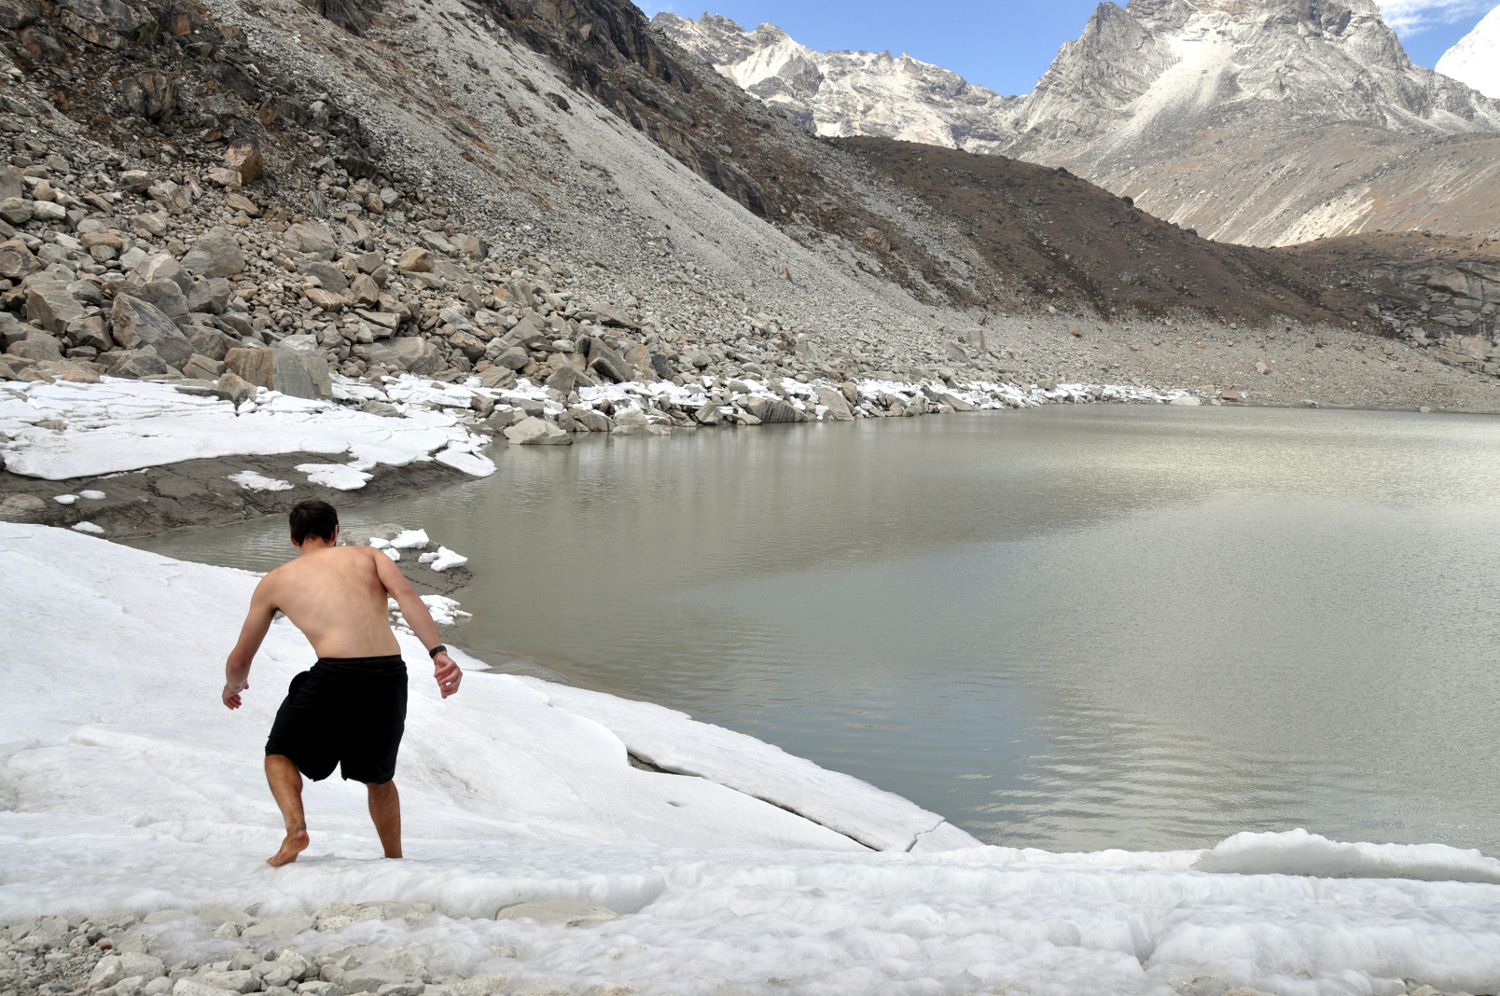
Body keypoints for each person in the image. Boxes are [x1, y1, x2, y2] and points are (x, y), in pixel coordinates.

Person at [221, 499, 463, 866]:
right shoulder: (368, 556)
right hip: (389, 674)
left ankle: (296, 830)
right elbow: (407, 595)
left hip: (336, 673)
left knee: (280, 752)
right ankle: (394, 860)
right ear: (335, 532)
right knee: (379, 776)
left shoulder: (276, 581)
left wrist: (233, 686)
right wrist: (438, 652)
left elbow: (241, 659)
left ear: (292, 538)